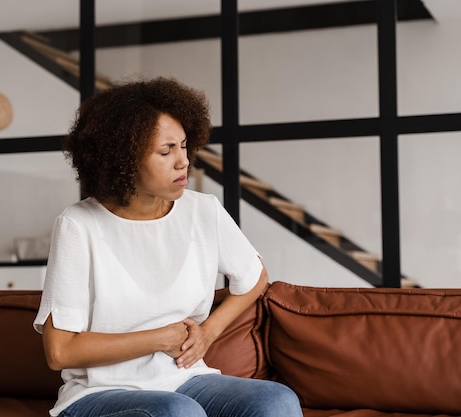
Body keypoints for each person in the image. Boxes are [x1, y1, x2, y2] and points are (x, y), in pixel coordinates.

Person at [33, 76, 303, 417]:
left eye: (184, 146)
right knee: (179, 412)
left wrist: (208, 333)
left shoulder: (203, 211)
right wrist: (159, 338)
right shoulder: (78, 225)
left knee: (277, 400)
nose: (183, 161)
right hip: (99, 393)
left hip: (186, 380)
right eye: (166, 151)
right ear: (124, 160)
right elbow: (60, 352)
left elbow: (254, 277)